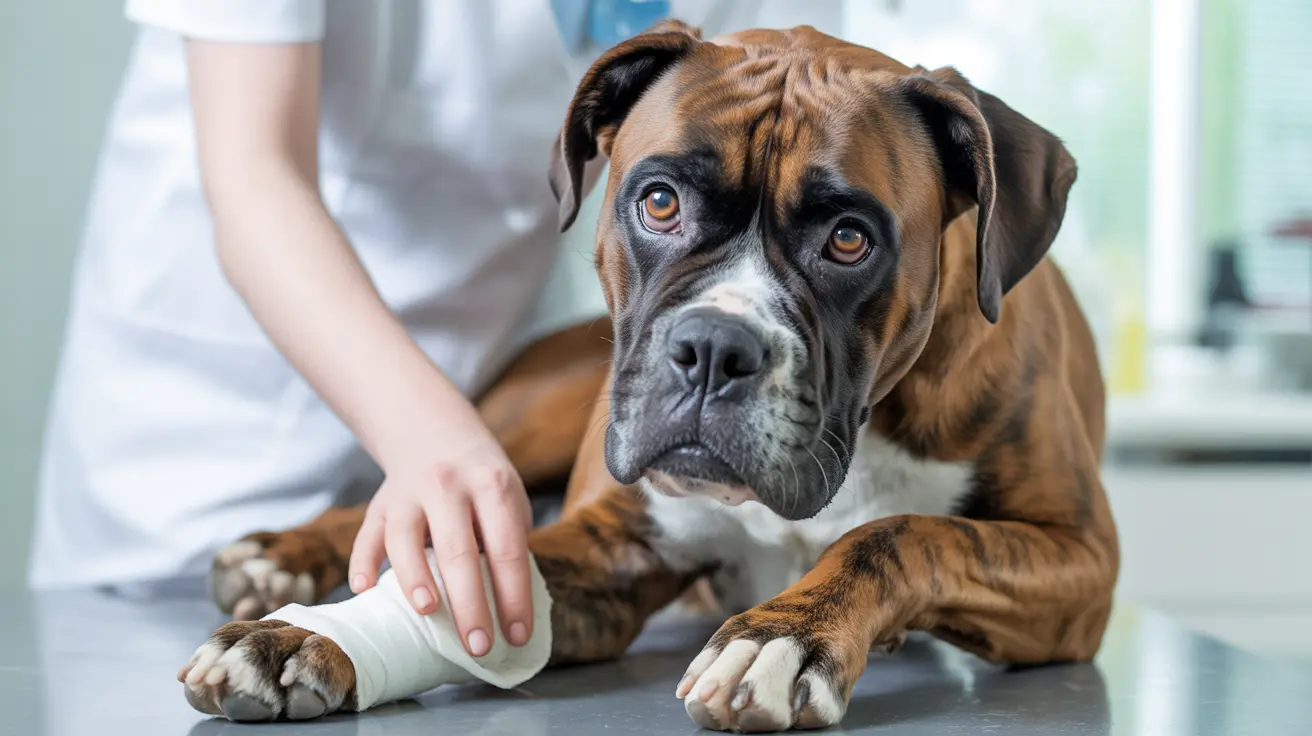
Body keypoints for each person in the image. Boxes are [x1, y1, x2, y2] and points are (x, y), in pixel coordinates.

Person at [28, 0, 840, 657]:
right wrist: (433, 439)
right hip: (212, 447)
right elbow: (254, 175)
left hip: (488, 409)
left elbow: (785, 160)